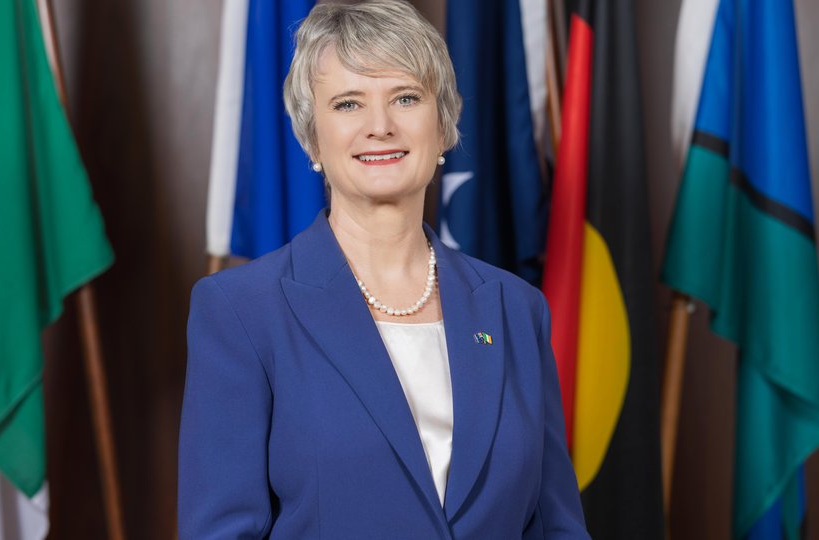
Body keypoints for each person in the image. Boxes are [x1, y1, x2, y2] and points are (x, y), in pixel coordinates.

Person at [178, 1, 588, 538]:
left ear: (442, 127)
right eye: (348, 104)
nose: (380, 126)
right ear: (311, 137)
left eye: (406, 97)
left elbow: (554, 525)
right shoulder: (240, 312)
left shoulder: (516, 308)